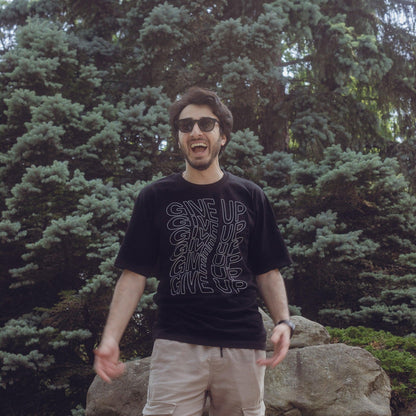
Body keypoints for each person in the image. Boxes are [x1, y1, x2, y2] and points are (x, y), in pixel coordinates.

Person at [93, 87, 294, 416]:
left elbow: (268, 270)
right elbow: (133, 275)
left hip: (243, 346)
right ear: (178, 137)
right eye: (186, 126)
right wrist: (111, 338)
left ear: (223, 136)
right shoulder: (154, 197)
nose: (195, 132)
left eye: (205, 124)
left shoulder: (251, 196)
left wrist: (284, 321)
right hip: (176, 346)